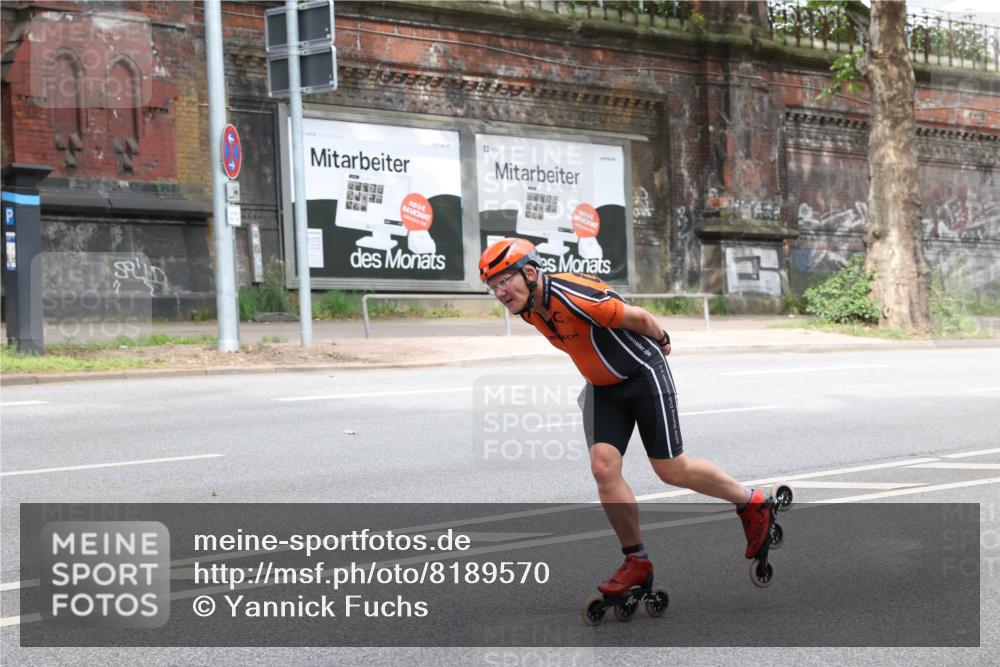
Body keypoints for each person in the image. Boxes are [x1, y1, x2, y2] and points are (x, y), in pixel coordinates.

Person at [479, 237, 774, 596]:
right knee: (603, 467)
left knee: (671, 470)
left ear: (529, 272)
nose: (499, 291)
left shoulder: (574, 294)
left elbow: (640, 318)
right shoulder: (529, 307)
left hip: (642, 375)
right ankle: (637, 562)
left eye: (503, 280)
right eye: (493, 286)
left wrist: (663, 339)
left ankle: (752, 501)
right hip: (603, 389)